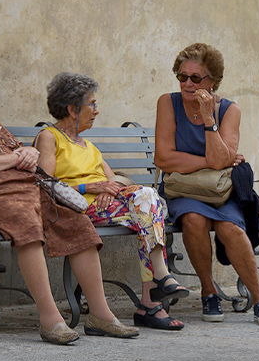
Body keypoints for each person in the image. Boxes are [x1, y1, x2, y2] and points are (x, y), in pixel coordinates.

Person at [0, 53, 139, 345]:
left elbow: (25, 156)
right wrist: (14, 158)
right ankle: (50, 319)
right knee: (24, 219)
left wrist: (27, 154)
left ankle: (100, 315)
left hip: (20, 191)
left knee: (73, 217)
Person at [36, 72, 187, 331]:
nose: (96, 110)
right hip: (78, 207)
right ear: (72, 109)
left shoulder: (88, 145)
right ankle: (151, 298)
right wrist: (90, 186)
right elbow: (45, 183)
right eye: (91, 104)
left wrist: (109, 189)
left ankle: (154, 291)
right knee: (150, 211)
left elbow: (119, 180)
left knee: (149, 201)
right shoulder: (51, 137)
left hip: (108, 205)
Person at [154, 42, 259, 326]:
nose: (187, 83)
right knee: (194, 219)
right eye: (182, 76)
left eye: (195, 78)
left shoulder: (229, 110)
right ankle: (208, 291)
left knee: (230, 228)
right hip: (183, 189)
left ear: (212, 81)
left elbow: (223, 159)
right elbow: (163, 158)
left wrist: (209, 118)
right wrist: (211, 161)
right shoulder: (167, 103)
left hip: (221, 191)